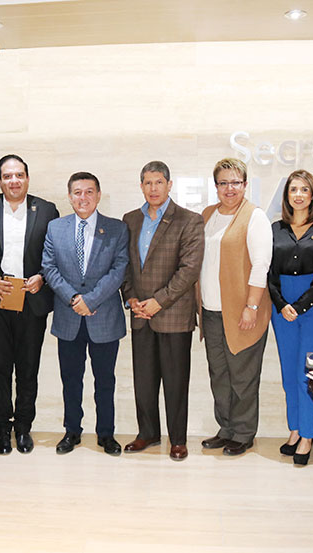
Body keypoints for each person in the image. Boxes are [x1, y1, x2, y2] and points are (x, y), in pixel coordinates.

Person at [0, 155, 59, 454]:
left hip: (31, 300)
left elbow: (55, 254)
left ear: (27, 178)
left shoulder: (46, 209)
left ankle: (23, 427)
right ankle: (2, 428)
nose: (14, 181)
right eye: (8, 176)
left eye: (19, 175)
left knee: (28, 368)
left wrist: (42, 277)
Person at [121, 161, 204, 461]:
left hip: (173, 314)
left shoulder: (189, 220)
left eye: (159, 182)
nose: (153, 188)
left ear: (169, 185)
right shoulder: (130, 220)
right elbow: (125, 264)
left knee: (175, 382)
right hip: (140, 314)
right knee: (143, 381)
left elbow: (189, 269)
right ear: (141, 186)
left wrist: (159, 301)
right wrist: (131, 297)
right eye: (148, 183)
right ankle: (148, 433)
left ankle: (178, 439)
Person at [41, 171, 129, 456]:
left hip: (104, 317)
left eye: (89, 192)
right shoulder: (55, 228)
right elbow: (49, 268)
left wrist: (90, 300)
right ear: (69, 196)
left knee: (105, 381)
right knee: (71, 380)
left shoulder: (117, 228)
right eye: (77, 192)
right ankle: (72, 431)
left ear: (98, 195)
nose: (83, 197)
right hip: (68, 319)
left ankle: (106, 434)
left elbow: (119, 270)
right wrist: (73, 299)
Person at [199, 158, 272, 456]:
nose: (229, 188)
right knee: (219, 375)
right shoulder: (207, 215)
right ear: (215, 186)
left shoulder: (255, 217)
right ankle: (226, 428)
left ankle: (243, 433)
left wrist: (251, 306)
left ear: (245, 185)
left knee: (242, 376)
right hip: (211, 311)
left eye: (235, 182)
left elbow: (261, 265)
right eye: (223, 183)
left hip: (243, 312)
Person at [268, 170, 313, 466]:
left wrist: (300, 305)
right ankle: (294, 429)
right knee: (288, 372)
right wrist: (281, 304)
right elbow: (268, 272)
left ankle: (308, 434)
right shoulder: (275, 229)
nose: (298, 195)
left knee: (307, 374)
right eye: (293, 189)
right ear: (286, 195)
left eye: (304, 189)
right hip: (282, 307)